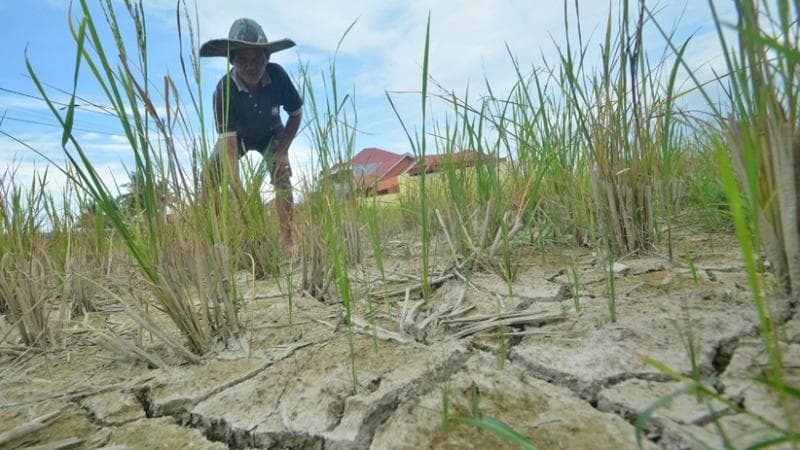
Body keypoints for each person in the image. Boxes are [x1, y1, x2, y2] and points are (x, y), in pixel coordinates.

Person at [200, 18, 303, 254]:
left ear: (267, 57)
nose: (250, 66)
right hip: (237, 138)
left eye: (257, 59)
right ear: (232, 61)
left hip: (271, 131)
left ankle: (287, 241)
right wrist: (241, 193)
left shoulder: (277, 76)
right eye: (242, 60)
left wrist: (282, 152)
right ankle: (213, 241)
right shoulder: (224, 91)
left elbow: (295, 114)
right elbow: (229, 150)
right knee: (209, 178)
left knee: (282, 176)